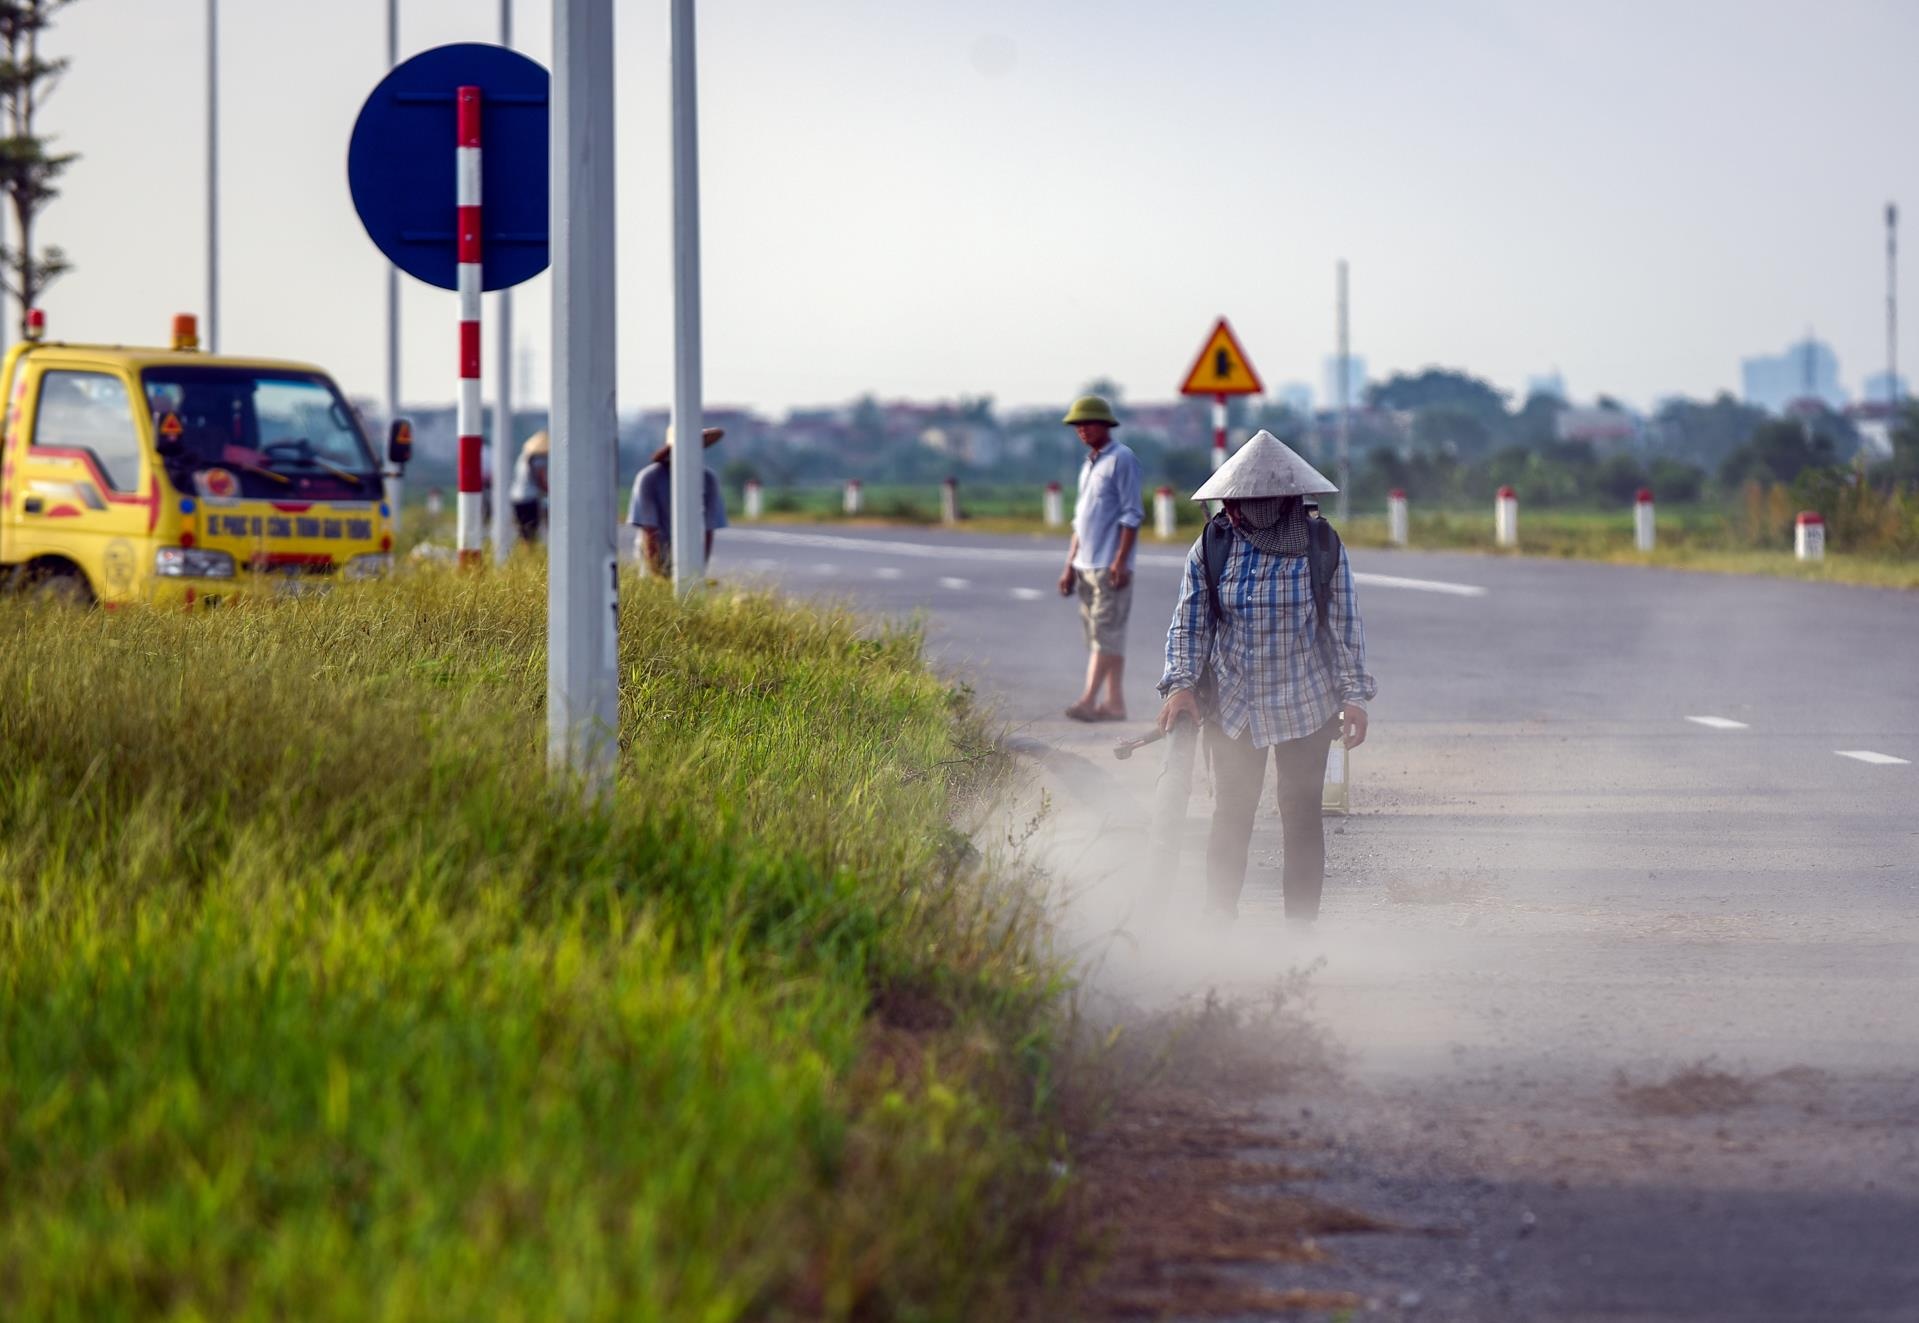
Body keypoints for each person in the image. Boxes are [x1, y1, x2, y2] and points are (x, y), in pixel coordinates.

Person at [1155, 430, 1377, 923]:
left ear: (1282, 500)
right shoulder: (1213, 545)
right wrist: (1182, 685)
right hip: (1235, 706)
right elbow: (1190, 624)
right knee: (1231, 816)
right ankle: (1218, 919)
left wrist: (1355, 696)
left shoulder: (1319, 545)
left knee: (1301, 818)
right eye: (1232, 502)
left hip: (1306, 704)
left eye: (1250, 501)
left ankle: (1300, 933)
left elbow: (1343, 624)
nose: (1237, 510)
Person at [1054, 394, 1142, 721]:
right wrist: (1068, 565)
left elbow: (1131, 515)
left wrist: (1121, 561)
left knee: (1105, 634)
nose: (1082, 429)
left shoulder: (1122, 459)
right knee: (1104, 636)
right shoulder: (1089, 465)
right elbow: (1080, 521)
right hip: (1085, 566)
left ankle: (1089, 700)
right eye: (1078, 424)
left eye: (1088, 422)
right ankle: (1114, 703)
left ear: (1105, 424)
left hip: (1110, 565)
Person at [628, 425, 727, 578]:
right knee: (656, 593)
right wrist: (656, 574)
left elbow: (708, 529)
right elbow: (649, 530)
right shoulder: (650, 478)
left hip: (691, 550)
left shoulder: (708, 479)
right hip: (654, 551)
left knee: (689, 591)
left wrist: (700, 569)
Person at [509, 430, 549, 543]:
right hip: (530, 497)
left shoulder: (523, 457)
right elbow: (541, 480)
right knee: (531, 530)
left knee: (523, 530)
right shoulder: (538, 459)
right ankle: (530, 552)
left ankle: (525, 552)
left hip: (516, 496)